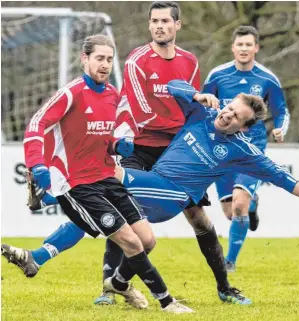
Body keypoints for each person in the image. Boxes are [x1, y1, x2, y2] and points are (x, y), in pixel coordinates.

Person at [3, 2, 248, 307]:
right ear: (149, 26)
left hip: (175, 151)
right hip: (141, 147)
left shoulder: (189, 61)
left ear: (177, 25)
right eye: (154, 21)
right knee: (118, 214)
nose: (159, 26)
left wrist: (195, 128)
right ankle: (109, 289)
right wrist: (124, 141)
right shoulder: (136, 60)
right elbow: (137, 109)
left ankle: (224, 286)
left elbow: (190, 104)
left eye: (165, 21)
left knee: (198, 217)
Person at [2, 35, 193, 314]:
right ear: (85, 59)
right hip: (78, 184)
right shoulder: (72, 92)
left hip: (106, 177)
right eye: (99, 58)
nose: (104, 64)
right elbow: (36, 124)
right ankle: (167, 301)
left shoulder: (113, 96)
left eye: (108, 59)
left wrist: (117, 144)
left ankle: (116, 282)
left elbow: (105, 138)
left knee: (147, 240)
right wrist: (37, 165)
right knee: (129, 241)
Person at [202, 25, 290, 272]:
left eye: (248, 45)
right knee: (232, 213)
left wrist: (280, 128)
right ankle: (253, 205)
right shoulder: (217, 75)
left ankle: (229, 262)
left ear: (256, 48)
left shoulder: (267, 78)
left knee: (239, 205)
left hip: (252, 148)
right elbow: (204, 105)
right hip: (223, 149)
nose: (243, 49)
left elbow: (282, 110)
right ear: (233, 47)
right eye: (239, 44)